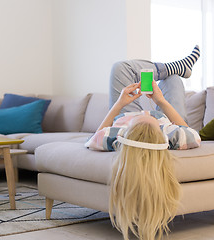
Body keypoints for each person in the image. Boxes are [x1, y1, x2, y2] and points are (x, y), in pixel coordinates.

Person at [85, 46, 201, 240]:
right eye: (152, 125)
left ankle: (178, 67)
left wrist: (119, 104)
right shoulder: (170, 135)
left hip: (126, 112)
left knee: (120, 68)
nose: (146, 116)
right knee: (172, 79)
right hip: (167, 116)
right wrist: (162, 102)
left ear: (127, 132)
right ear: (160, 136)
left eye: (139, 123)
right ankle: (179, 68)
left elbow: (92, 139)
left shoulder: (118, 136)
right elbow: (191, 134)